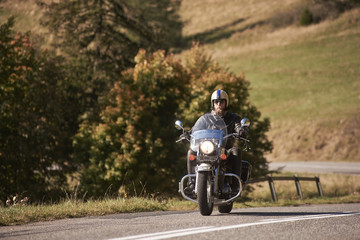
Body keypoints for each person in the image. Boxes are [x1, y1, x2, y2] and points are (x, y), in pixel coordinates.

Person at [183, 89, 249, 195]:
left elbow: (238, 126)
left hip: (224, 149)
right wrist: (187, 134)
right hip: (207, 149)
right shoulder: (205, 118)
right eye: (216, 102)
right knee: (191, 152)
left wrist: (241, 131)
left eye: (221, 101)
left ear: (226, 103)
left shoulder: (233, 118)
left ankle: (235, 185)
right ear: (212, 103)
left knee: (236, 151)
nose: (219, 104)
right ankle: (192, 183)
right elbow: (195, 131)